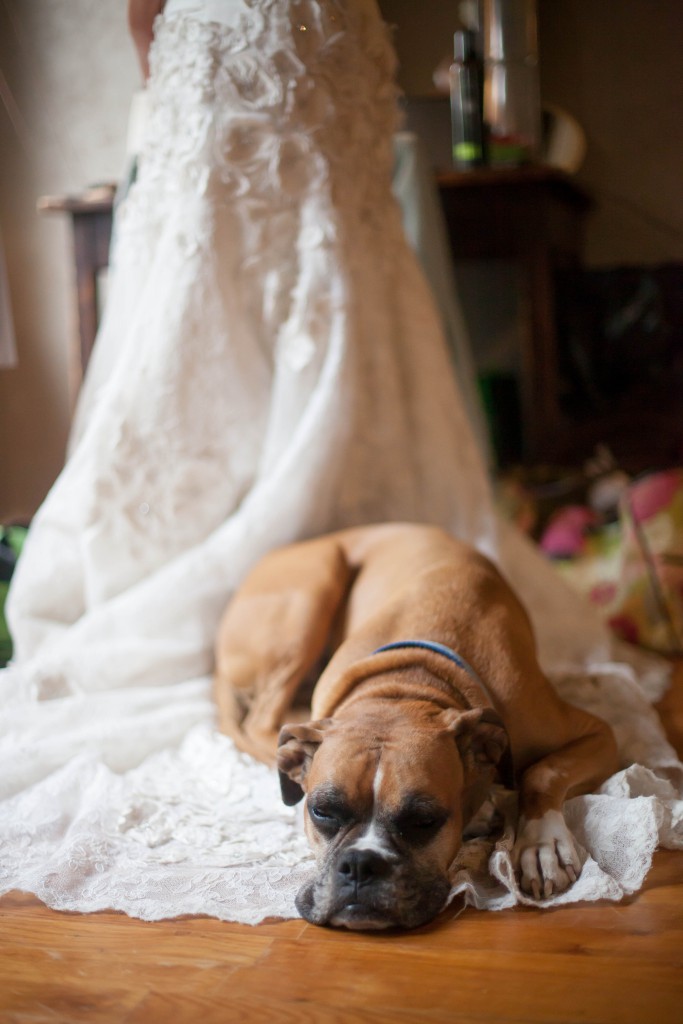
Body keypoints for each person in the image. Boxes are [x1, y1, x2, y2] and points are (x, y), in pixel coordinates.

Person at [0, 0, 678, 924]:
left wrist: (540, 798)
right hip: (348, 575)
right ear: (300, 767)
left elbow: (584, 742)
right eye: (330, 814)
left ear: (484, 760)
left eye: (414, 822)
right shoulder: (325, 709)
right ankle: (252, 708)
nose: (363, 861)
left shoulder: (498, 719)